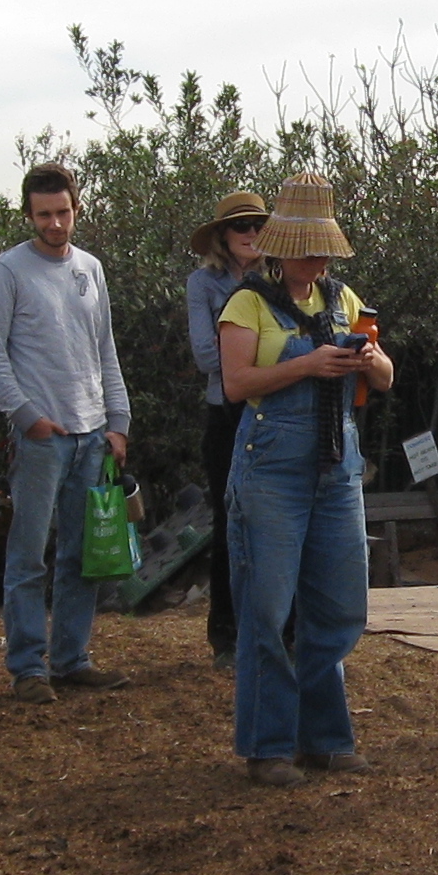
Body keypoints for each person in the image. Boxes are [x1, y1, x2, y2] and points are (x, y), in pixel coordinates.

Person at [218, 174, 393, 786]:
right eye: (302, 245)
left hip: (337, 465)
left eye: (321, 247)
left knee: (340, 603)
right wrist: (307, 365)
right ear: (279, 245)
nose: (312, 258)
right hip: (270, 468)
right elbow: (235, 384)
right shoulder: (247, 304)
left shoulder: (346, 301)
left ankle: (324, 739)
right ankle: (267, 747)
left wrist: (370, 359)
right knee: (267, 607)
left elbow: (387, 376)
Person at [0, 162, 134, 702]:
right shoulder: (9, 271)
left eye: (63, 212)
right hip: (43, 436)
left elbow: (104, 349)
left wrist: (118, 422)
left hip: (91, 432)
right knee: (28, 553)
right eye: (44, 214)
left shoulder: (89, 268)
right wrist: (26, 417)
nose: (55, 223)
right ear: (29, 215)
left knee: (82, 554)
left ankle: (71, 657)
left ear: (76, 207)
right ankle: (27, 666)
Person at [186, 190, 272, 669]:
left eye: (257, 225)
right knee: (229, 522)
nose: (249, 234)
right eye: (240, 226)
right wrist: (264, 357)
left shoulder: (279, 280)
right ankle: (226, 635)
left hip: (273, 415)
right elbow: (205, 357)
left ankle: (277, 629)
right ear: (222, 235)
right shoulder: (202, 284)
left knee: (277, 523)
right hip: (225, 416)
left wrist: (246, 357)